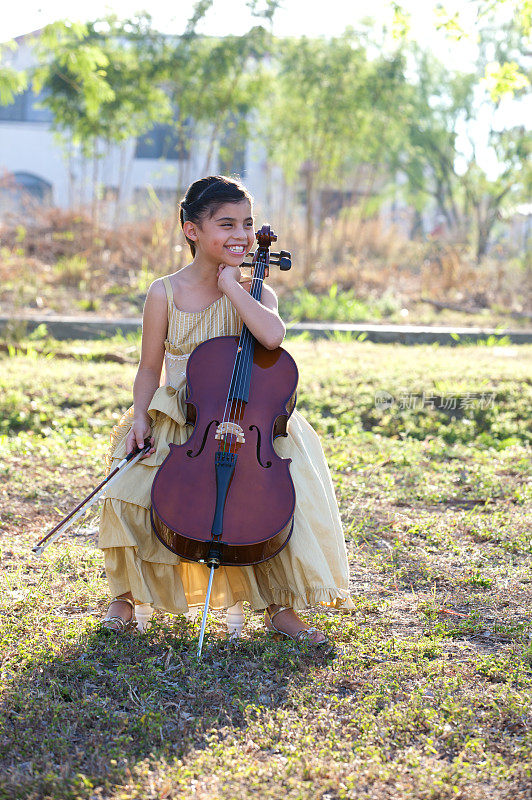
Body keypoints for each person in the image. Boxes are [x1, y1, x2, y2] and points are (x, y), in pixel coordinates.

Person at [98, 174, 354, 647]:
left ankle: (280, 608)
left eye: (248, 224)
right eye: (226, 223)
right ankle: (125, 597)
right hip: (182, 418)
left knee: (269, 505)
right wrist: (139, 417)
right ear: (192, 231)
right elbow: (148, 368)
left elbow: (272, 338)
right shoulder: (165, 293)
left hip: (246, 420)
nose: (241, 234)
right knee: (126, 491)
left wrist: (235, 288)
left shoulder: (257, 292)